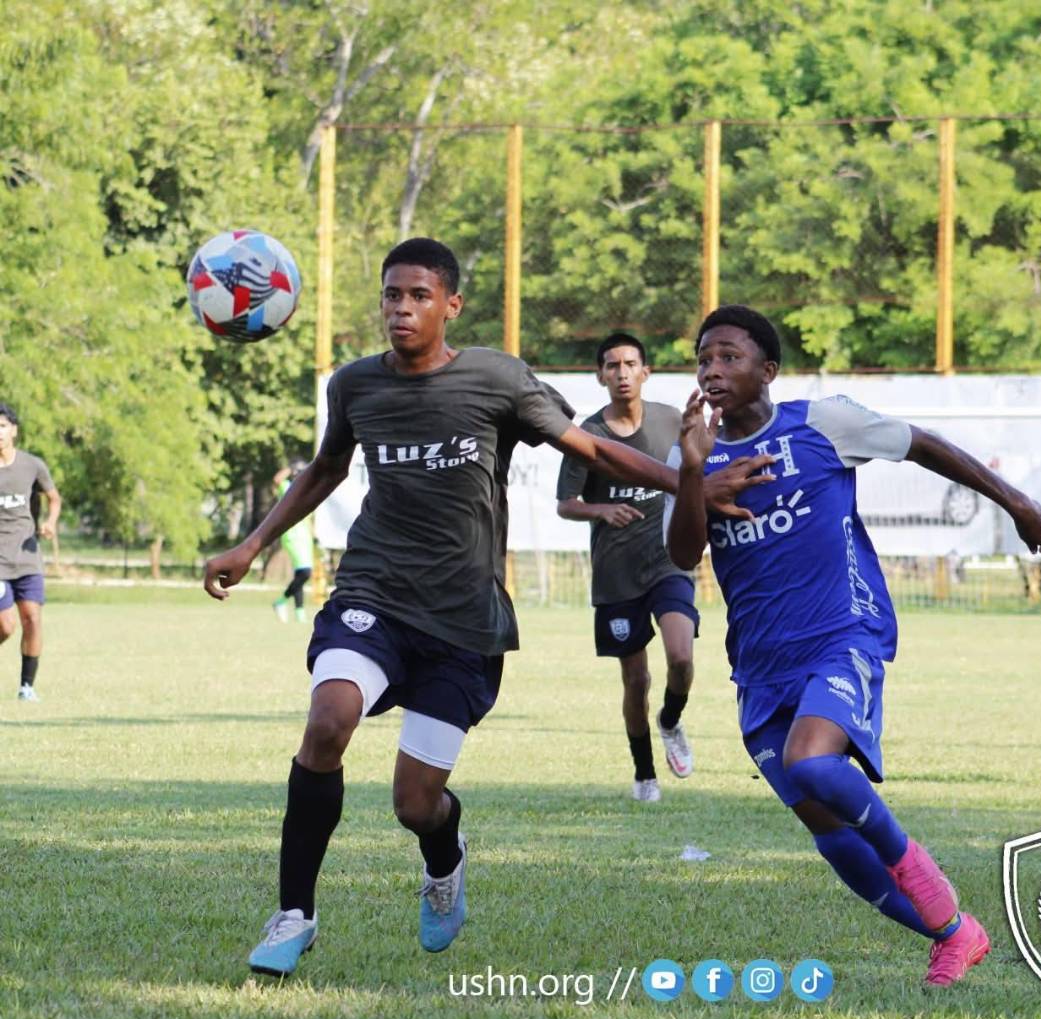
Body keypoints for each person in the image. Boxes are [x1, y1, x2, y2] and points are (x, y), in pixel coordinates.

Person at [202, 239, 768, 978]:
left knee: (415, 803)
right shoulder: (354, 387)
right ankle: (294, 915)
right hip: (373, 591)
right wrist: (250, 546)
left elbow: (590, 448)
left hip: (465, 619)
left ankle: (445, 858)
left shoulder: (495, 379)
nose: (401, 310)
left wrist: (686, 483)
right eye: (391, 296)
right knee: (328, 720)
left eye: (418, 297)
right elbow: (326, 469)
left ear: (451, 305)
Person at [665, 305, 1041, 987]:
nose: (713, 370)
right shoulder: (692, 450)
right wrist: (694, 472)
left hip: (843, 632)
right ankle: (955, 934)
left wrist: (1016, 501)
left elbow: (923, 443)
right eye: (703, 359)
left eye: (729, 356)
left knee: (814, 767)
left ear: (769, 371)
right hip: (759, 663)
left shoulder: (823, 423)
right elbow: (681, 551)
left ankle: (919, 871)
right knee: (825, 825)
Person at [556, 333, 699, 802]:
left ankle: (671, 720)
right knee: (635, 680)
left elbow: (694, 479)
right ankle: (645, 773)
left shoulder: (669, 421)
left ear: (645, 371)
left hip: (667, 565)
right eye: (612, 365)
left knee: (681, 658)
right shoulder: (588, 435)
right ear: (600, 375)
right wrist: (600, 511)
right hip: (616, 575)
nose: (621, 373)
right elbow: (565, 505)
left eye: (630, 363)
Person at [0, 402, 61, 703]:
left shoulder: (32, 465)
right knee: (5, 625)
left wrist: (49, 523)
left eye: (2, 426)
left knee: (32, 619)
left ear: (13, 430)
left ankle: (27, 686)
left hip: (27, 557)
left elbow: (54, 498)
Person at [271, 461, 314, 623]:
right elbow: (277, 480)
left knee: (300, 575)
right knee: (305, 573)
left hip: (305, 538)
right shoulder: (289, 488)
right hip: (292, 535)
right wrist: (291, 467)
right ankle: (280, 602)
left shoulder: (307, 491)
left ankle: (300, 614)